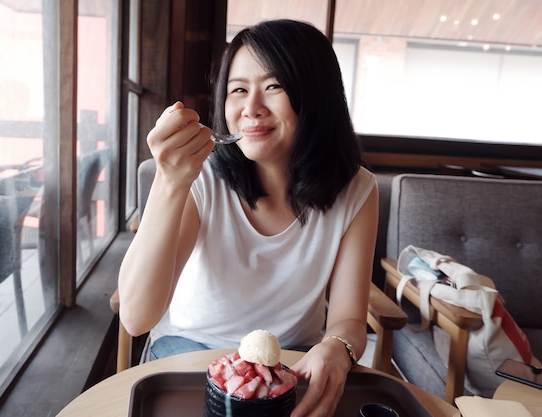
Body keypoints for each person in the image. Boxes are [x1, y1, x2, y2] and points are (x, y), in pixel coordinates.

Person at [118, 19, 379, 417]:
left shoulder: (356, 190)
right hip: (190, 350)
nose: (250, 108)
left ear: (316, 95)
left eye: (273, 87)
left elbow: (347, 319)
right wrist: (170, 182)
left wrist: (337, 349)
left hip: (293, 361)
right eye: (238, 90)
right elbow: (136, 317)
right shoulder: (199, 177)